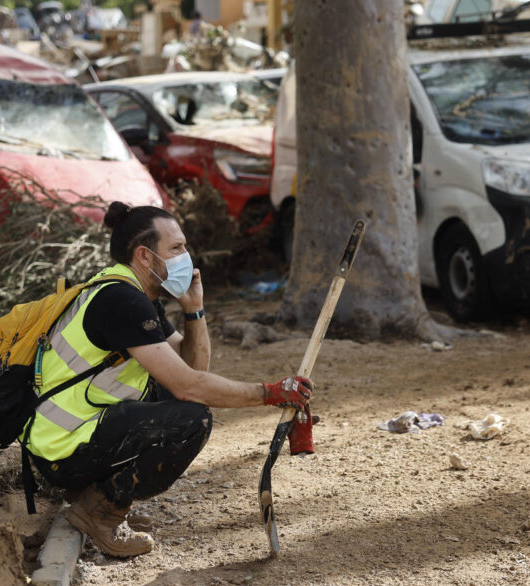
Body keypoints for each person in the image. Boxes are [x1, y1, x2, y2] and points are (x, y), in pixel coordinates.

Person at [22, 202, 312, 557]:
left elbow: (192, 368)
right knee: (192, 421)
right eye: (176, 248)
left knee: (180, 403)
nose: (186, 257)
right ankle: (100, 510)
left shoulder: (138, 296)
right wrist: (269, 393)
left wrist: (194, 310)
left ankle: (96, 495)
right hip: (61, 450)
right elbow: (189, 386)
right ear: (145, 256)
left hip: (70, 437)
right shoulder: (121, 301)